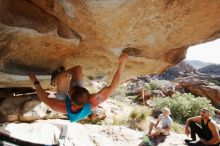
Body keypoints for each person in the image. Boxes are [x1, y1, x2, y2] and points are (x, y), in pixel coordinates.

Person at [28, 53, 128, 122]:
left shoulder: (60, 106)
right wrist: (122, 64)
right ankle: (58, 78)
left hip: (64, 100)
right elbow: (113, 86)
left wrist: (35, 81)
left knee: (64, 77)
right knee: (78, 69)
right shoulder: (94, 100)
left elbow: (43, 98)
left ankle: (55, 81)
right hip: (78, 100)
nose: (70, 89)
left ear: (70, 98)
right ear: (88, 95)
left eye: (70, 91)